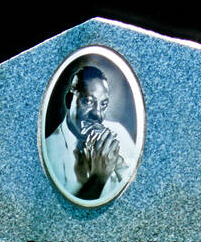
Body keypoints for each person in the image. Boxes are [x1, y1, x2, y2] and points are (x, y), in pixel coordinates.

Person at [43, 64, 136, 202]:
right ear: (69, 100)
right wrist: (99, 176)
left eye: (103, 104)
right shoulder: (49, 151)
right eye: (88, 101)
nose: (97, 115)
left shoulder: (119, 132)